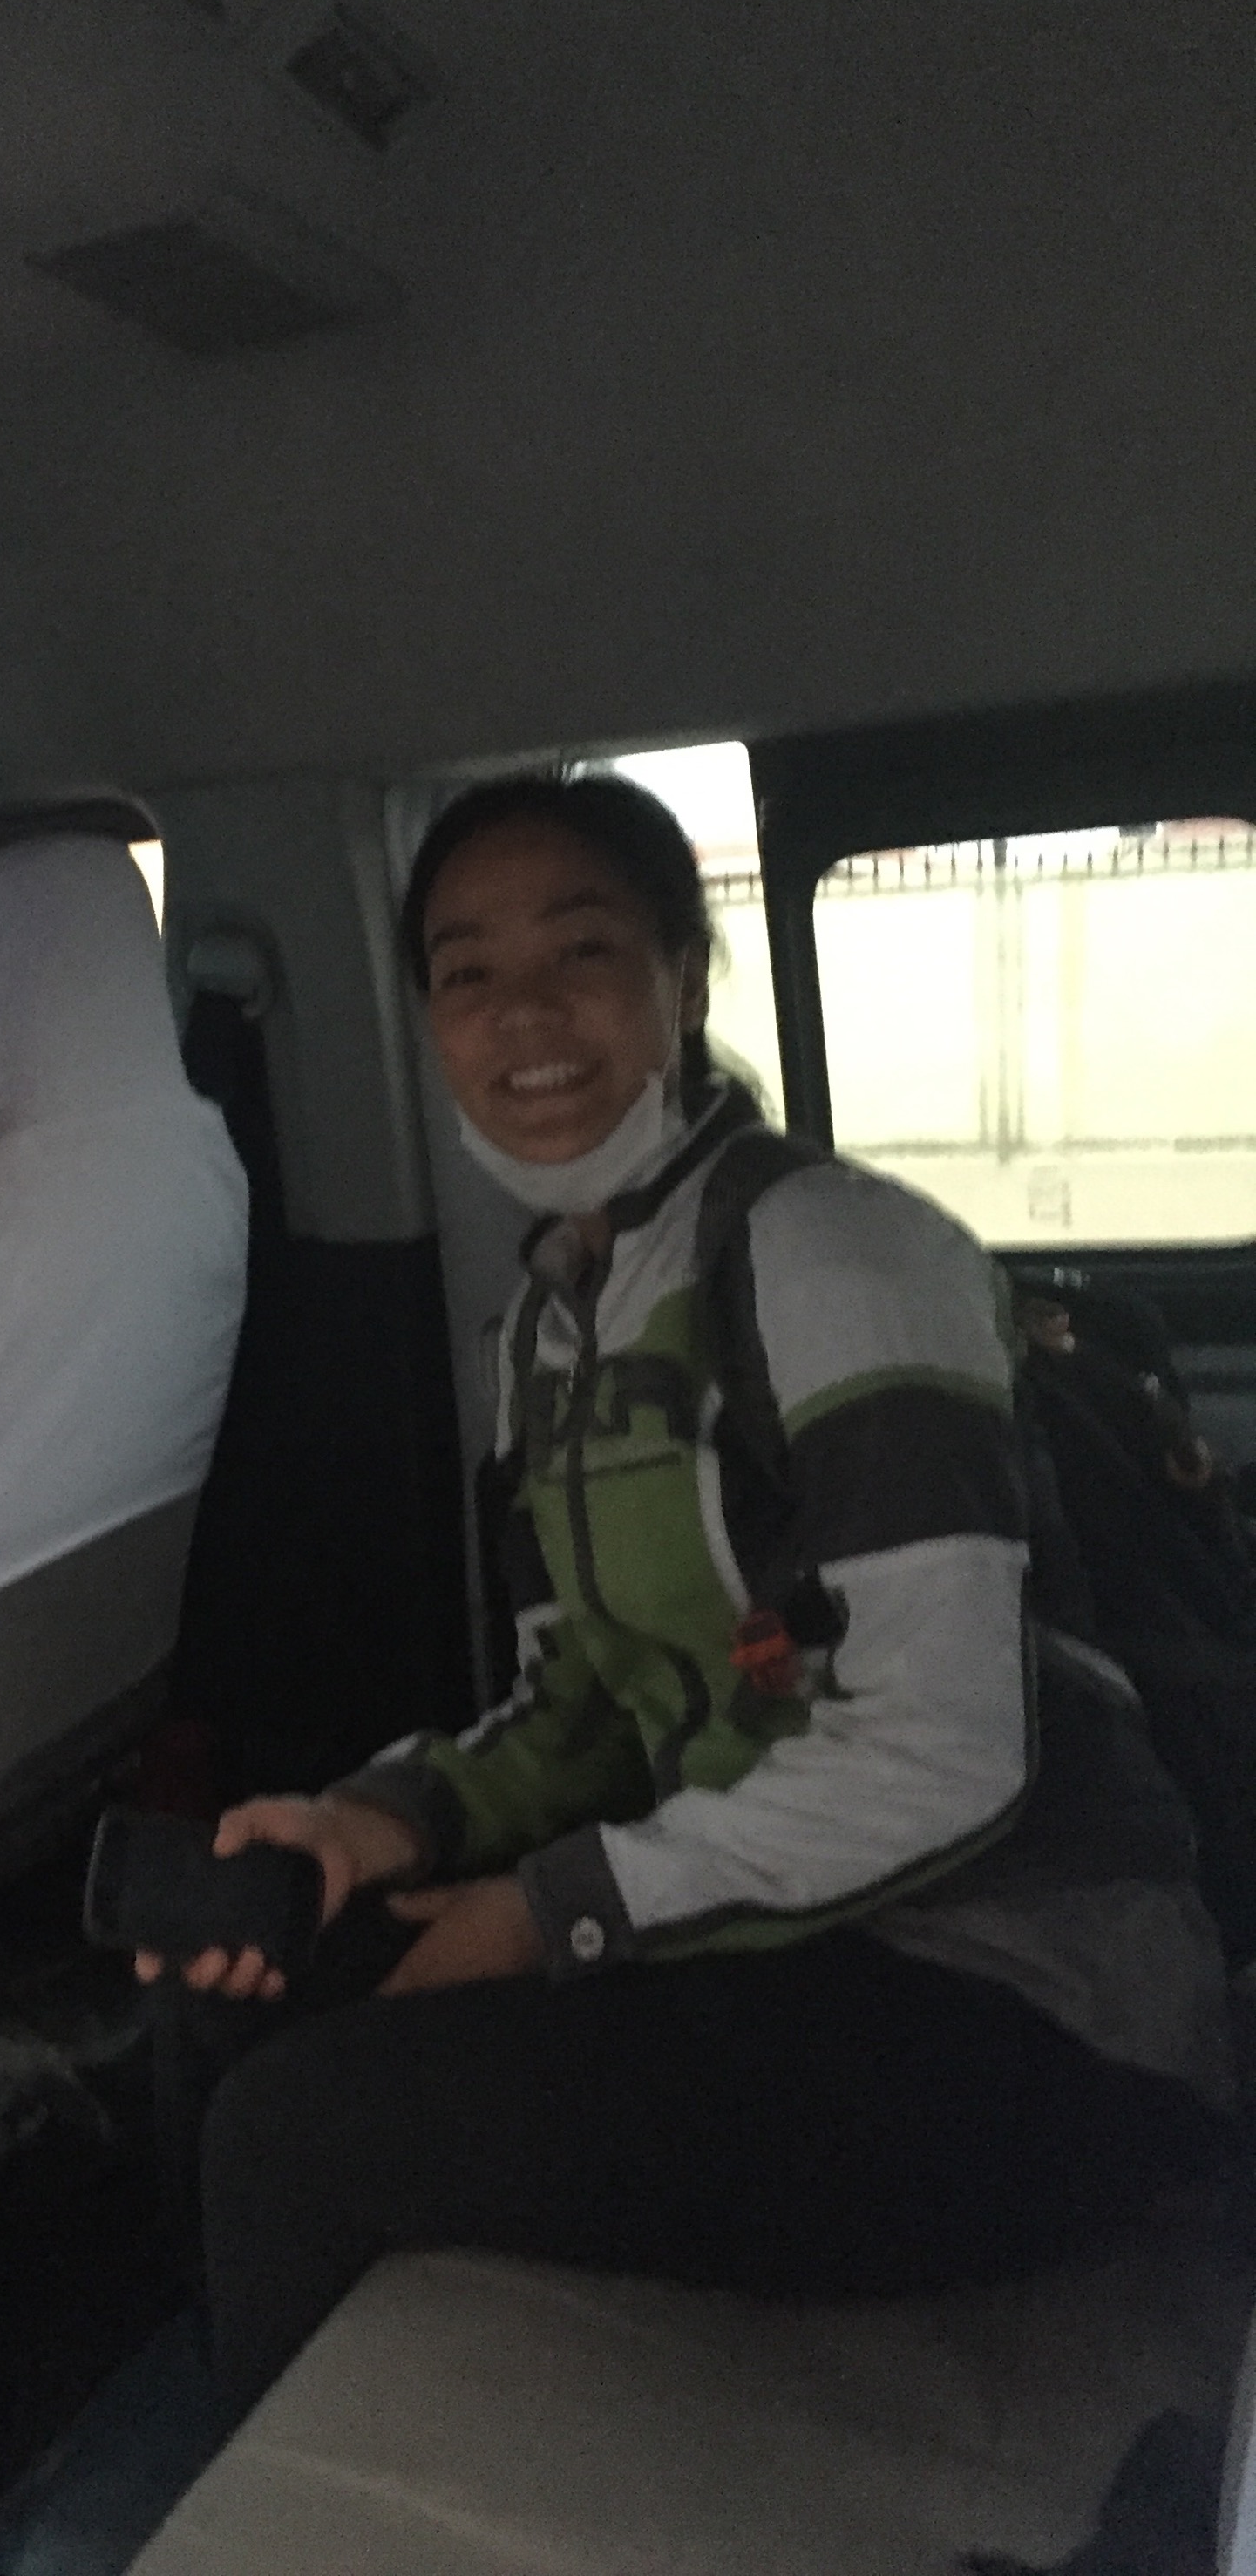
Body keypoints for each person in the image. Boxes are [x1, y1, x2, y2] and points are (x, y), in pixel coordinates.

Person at [144, 771, 1234, 2420]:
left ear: (684, 976)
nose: (524, 1016)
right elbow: (580, 1702)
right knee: (238, 1991)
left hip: (1022, 2006)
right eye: (466, 973)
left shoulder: (839, 1257)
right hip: (778, 1933)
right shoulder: (554, 1316)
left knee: (298, 2129)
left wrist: (551, 1912)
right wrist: (379, 1824)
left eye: (580, 952)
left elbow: (944, 1749)